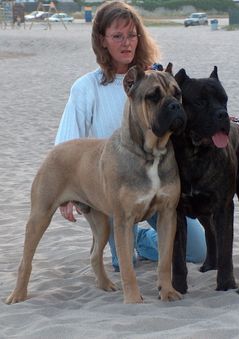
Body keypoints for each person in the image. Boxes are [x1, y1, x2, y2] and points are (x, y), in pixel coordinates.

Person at [55, 1, 206, 271]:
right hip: (115, 188)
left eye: (132, 35)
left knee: (197, 251)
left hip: (158, 180)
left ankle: (144, 239)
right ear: (102, 40)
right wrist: (65, 193)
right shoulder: (86, 87)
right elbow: (66, 144)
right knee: (124, 263)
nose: (127, 43)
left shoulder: (156, 78)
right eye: (117, 36)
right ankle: (135, 242)